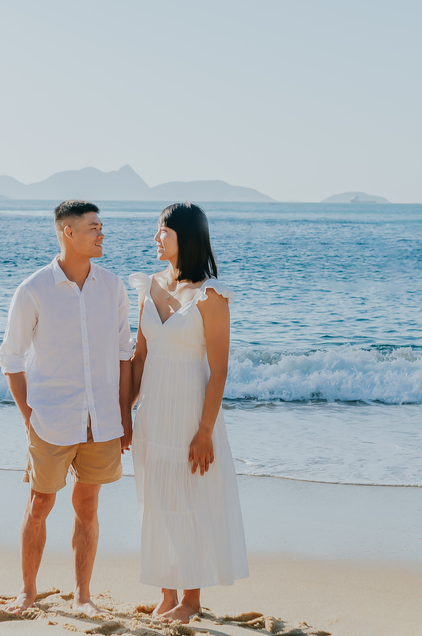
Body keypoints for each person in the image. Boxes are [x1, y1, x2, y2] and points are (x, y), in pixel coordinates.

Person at [0, 200, 134, 616]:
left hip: (103, 419)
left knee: (88, 504)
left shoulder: (113, 287)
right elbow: (11, 358)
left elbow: (125, 355)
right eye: (93, 227)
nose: (101, 233)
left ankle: (83, 595)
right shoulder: (33, 289)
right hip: (50, 418)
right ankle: (27, 591)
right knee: (40, 504)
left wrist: (124, 417)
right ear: (67, 233)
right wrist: (28, 416)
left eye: (101, 226)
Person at [128, 202, 248, 623]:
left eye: (163, 230)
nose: (156, 238)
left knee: (190, 502)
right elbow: (139, 358)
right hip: (153, 416)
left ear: (185, 236)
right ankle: (166, 593)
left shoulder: (211, 296)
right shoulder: (149, 287)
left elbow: (220, 370)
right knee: (156, 501)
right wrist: (126, 416)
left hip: (191, 417)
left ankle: (191, 600)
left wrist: (205, 431)